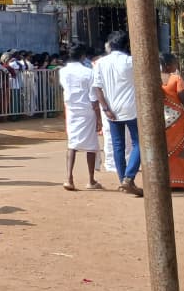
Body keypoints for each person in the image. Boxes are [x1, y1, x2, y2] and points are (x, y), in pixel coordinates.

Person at [92, 31, 142, 197]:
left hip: (111, 109)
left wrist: (105, 108)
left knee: (118, 146)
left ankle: (123, 180)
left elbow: (97, 88)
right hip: (132, 107)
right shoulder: (131, 61)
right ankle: (129, 177)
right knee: (139, 143)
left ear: (110, 45)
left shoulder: (100, 63)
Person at [60, 44, 102, 191]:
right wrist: (99, 117)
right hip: (87, 110)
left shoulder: (63, 72)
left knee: (72, 144)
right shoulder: (88, 72)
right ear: (83, 56)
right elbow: (93, 97)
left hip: (72, 110)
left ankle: (69, 178)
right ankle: (91, 180)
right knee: (91, 146)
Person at [159, 53, 184, 191]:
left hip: (161, 119)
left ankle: (164, 181)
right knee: (181, 150)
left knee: (164, 150)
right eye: (174, 63)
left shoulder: (154, 78)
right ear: (168, 65)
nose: (176, 65)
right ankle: (179, 182)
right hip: (177, 120)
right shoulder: (176, 78)